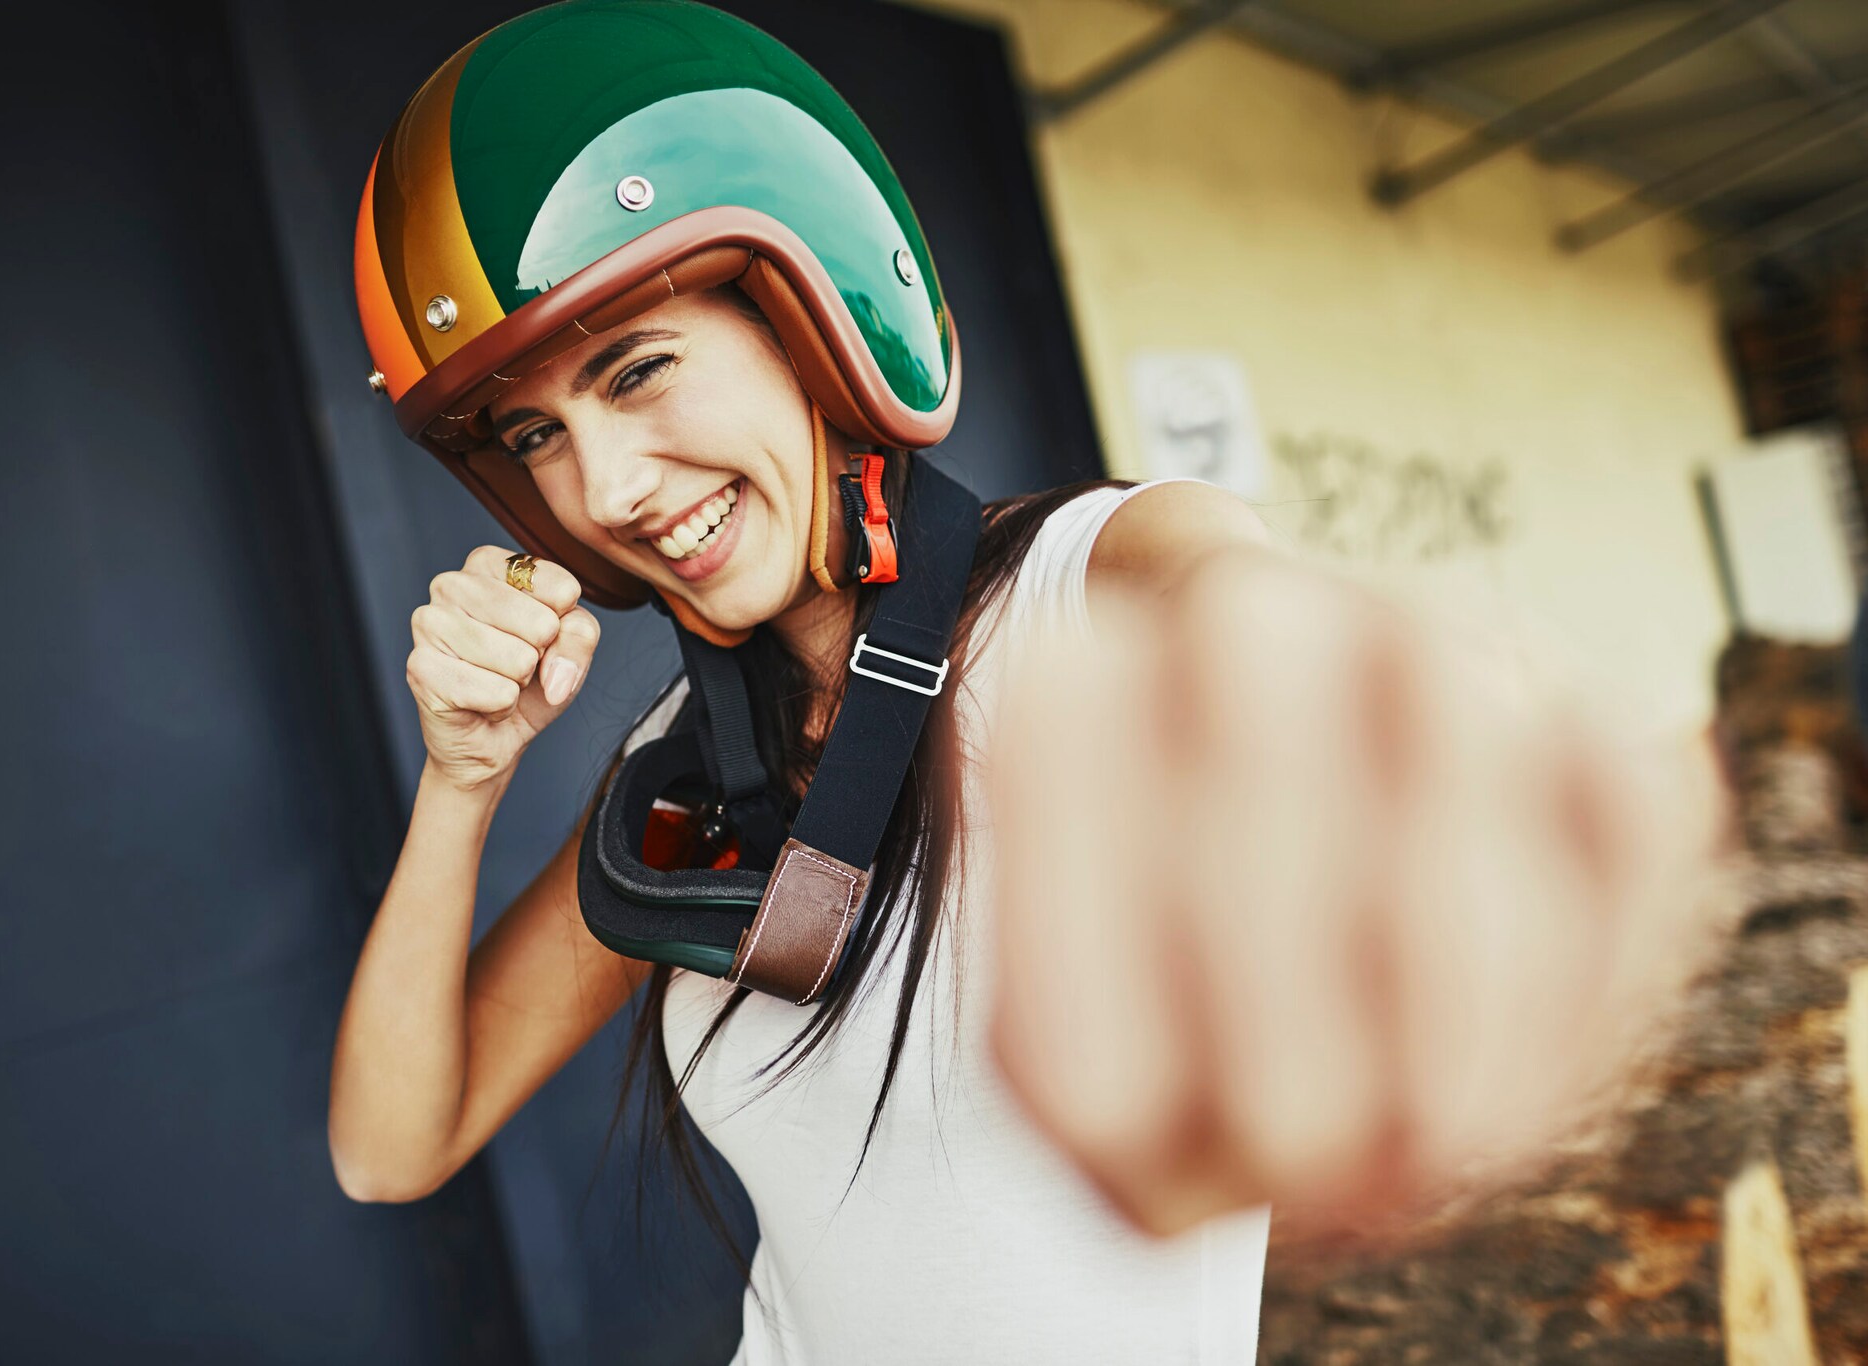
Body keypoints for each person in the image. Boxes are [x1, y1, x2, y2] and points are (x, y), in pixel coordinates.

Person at [326, 3, 1732, 1362]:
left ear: (811, 320)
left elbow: (1252, 612)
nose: (606, 488)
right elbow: (392, 1145)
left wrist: (1436, 759)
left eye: (638, 372)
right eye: (537, 436)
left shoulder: (1096, 578)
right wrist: (464, 775)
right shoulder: (687, 779)